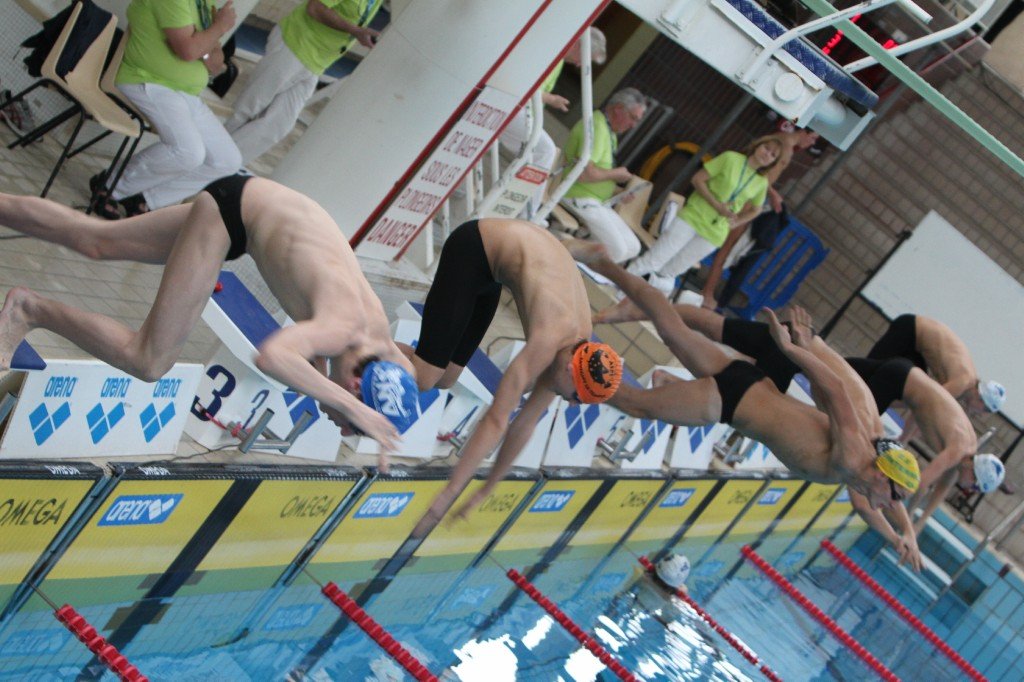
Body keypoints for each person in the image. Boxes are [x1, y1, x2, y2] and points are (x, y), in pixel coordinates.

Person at [0, 176, 417, 465]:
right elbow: (272, 357)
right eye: (352, 427)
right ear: (355, 386)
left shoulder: (384, 351)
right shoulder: (344, 326)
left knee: (96, 241)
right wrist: (349, 407)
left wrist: (370, 414)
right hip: (231, 217)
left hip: (251, 201)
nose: (344, 431)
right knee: (148, 360)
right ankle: (28, 309)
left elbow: (406, 375)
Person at [580, 253, 922, 560]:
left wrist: (904, 533)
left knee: (670, 328)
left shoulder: (859, 471)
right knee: (636, 405)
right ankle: (574, 364)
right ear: (882, 474)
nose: (893, 506)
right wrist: (794, 350)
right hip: (730, 401)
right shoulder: (854, 455)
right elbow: (836, 389)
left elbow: (869, 496)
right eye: (896, 497)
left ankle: (603, 263)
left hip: (749, 384)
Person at [407, 220, 622, 536]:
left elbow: (525, 422)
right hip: (474, 249)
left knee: (446, 379)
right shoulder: (550, 339)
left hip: (499, 268)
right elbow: (496, 419)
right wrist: (447, 496)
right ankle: (363, 348)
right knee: (426, 377)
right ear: (570, 371)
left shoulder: (575, 352)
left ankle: (378, 354)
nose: (572, 404)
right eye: (576, 397)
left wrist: (486, 488)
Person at [91, 0, 243, 218]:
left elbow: (215, 63)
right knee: (189, 152)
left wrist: (205, 43)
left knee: (227, 161)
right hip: (148, 81)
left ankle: (145, 198)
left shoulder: (204, 2)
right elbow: (188, 51)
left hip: (186, 93)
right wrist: (217, 28)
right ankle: (110, 186)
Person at [225, 0, 384, 165]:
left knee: (278, 125)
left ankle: (225, 164)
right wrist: (356, 31)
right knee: (248, 106)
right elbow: (315, 8)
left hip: (317, 62)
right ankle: (214, 156)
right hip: (296, 44)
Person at [625, 136, 781, 295]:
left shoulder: (762, 182)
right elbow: (697, 179)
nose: (767, 154)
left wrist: (737, 221)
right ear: (757, 145)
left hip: (715, 233)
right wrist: (717, 205)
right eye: (766, 147)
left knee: (670, 272)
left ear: (773, 163)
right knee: (655, 259)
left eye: (773, 155)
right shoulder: (730, 158)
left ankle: (634, 299)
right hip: (693, 216)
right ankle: (620, 284)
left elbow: (756, 209)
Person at [700, 128, 820, 309]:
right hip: (748, 199)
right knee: (727, 248)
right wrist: (772, 194)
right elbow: (764, 176)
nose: (812, 143)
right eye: (812, 138)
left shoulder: (779, 140)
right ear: (804, 131)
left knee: (723, 244)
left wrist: (770, 193)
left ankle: (707, 291)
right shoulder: (784, 148)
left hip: (748, 193)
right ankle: (707, 292)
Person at [497, 27, 607, 223]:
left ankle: (519, 206)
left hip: (518, 109)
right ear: (578, 45)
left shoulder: (558, 59)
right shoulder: (550, 51)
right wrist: (551, 99)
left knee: (541, 153)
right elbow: (525, 87)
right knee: (545, 150)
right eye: (584, 58)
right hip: (509, 105)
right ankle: (529, 214)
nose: (580, 65)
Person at [868, 314, 1006, 426]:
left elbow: (924, 411)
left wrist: (904, 440)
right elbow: (923, 405)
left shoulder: (964, 387)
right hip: (910, 329)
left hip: (916, 347)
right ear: (981, 400)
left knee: (906, 391)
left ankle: (869, 403)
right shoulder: (963, 382)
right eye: (983, 411)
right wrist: (903, 440)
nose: (979, 415)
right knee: (868, 379)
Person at [560, 87, 648, 263]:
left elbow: (598, 176)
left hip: (596, 201)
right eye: (633, 118)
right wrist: (616, 173)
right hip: (577, 195)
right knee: (617, 250)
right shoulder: (597, 127)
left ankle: (576, 256)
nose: (633, 125)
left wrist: (619, 193)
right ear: (618, 109)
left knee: (633, 247)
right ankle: (568, 258)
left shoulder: (609, 132)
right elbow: (584, 174)